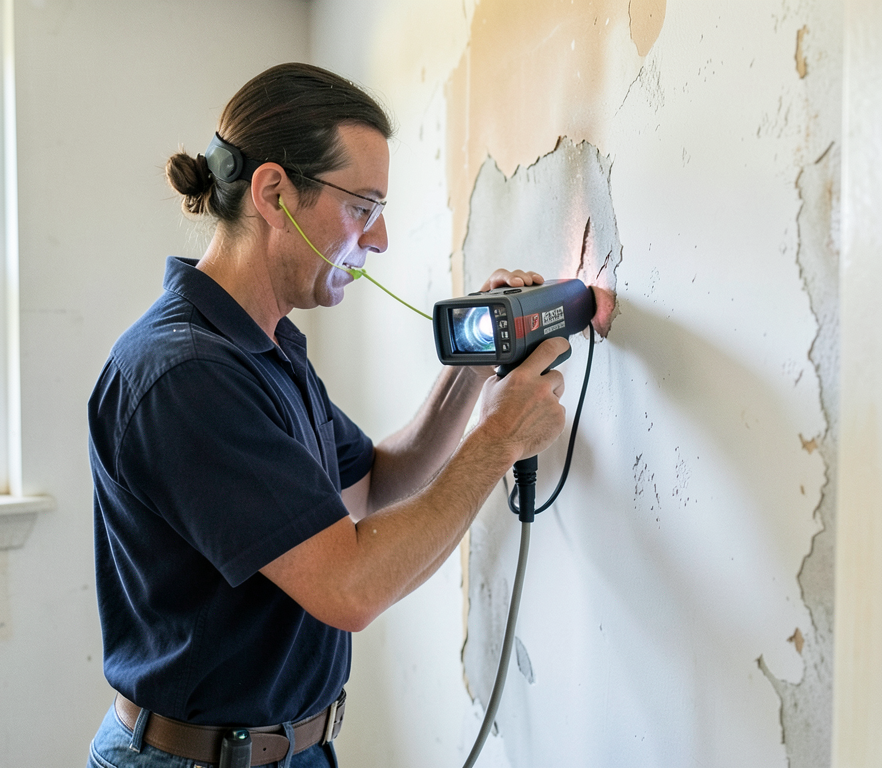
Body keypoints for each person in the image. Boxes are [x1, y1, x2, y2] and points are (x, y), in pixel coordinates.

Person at [86, 62, 578, 768]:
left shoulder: (265, 346)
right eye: (363, 206)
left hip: (290, 749)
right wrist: (499, 439)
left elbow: (378, 482)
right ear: (274, 192)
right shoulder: (189, 375)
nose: (378, 240)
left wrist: (471, 366)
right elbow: (350, 587)